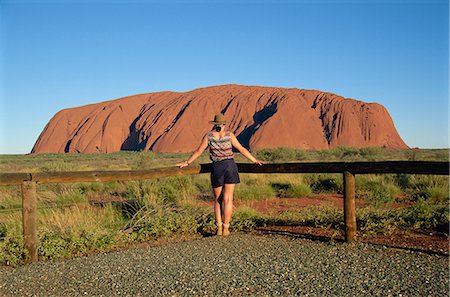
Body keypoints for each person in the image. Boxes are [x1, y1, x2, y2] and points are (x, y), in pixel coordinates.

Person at [177, 113, 263, 236]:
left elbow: (198, 151)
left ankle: (219, 228)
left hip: (217, 167)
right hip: (230, 166)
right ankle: (226, 228)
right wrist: (254, 160)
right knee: (228, 199)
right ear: (224, 124)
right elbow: (242, 149)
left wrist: (187, 162)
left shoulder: (209, 136)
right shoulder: (229, 135)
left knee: (218, 200)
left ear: (214, 124)